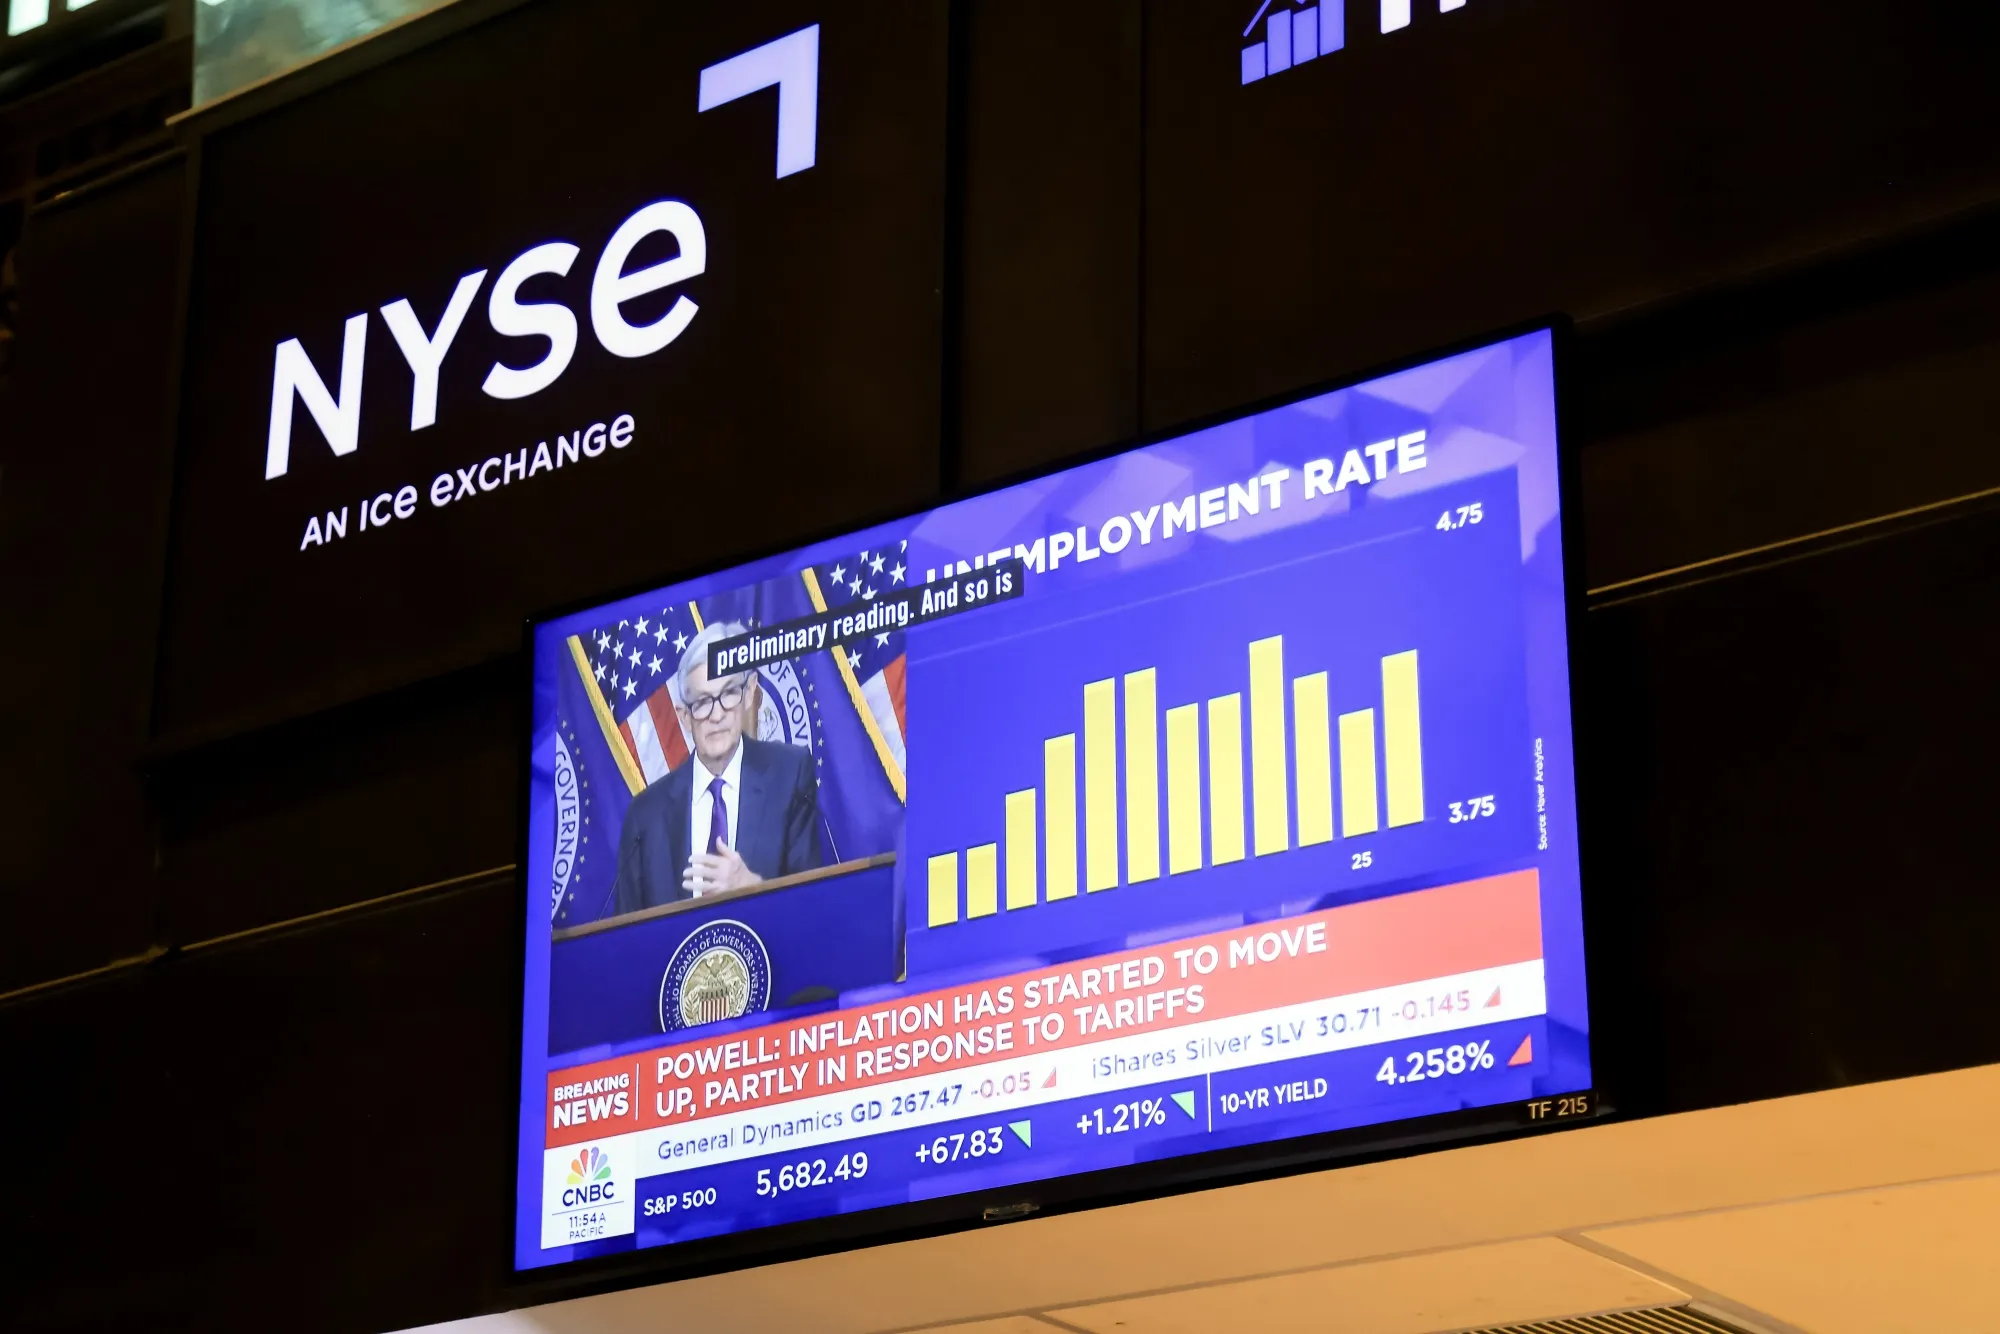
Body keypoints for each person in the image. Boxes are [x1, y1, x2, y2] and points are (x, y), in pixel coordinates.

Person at [612, 620, 822, 913]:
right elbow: (626, 932)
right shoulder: (645, 816)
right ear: (685, 717)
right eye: (702, 702)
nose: (717, 714)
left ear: (749, 693)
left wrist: (754, 888)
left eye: (728, 693)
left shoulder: (789, 776)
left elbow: (814, 908)